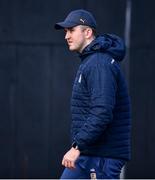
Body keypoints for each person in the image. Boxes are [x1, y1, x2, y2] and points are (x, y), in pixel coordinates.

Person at [54, 9, 131, 179]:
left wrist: (77, 147)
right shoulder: (91, 61)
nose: (66, 36)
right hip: (89, 153)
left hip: (101, 156)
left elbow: (102, 111)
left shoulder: (99, 63)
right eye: (66, 31)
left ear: (88, 32)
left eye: (71, 30)